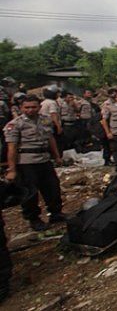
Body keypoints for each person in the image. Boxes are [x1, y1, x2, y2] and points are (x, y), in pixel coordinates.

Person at [4, 95, 64, 231]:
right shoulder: (15, 124)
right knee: (30, 193)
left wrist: (57, 156)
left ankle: (56, 213)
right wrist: (12, 169)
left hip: (44, 159)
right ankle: (34, 219)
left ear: (40, 107)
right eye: (27, 107)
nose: (30, 110)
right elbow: (11, 148)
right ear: (21, 108)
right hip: (26, 162)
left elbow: (51, 139)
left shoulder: (45, 120)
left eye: (34, 107)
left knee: (52, 187)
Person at [100, 88, 117, 166]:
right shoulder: (107, 104)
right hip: (108, 126)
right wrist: (108, 132)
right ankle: (107, 160)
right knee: (107, 144)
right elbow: (104, 119)